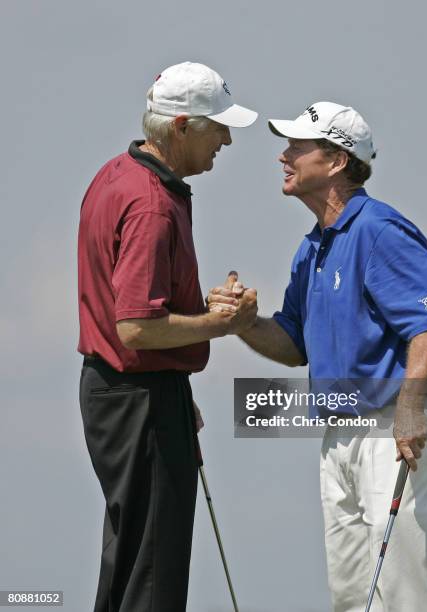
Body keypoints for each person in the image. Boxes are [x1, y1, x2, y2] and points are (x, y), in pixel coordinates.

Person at [208, 101, 427, 611]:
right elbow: (294, 345)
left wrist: (410, 408)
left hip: (391, 427)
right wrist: (244, 324)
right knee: (350, 593)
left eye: (298, 146)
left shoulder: (381, 230)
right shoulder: (311, 248)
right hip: (337, 435)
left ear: (338, 161)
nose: (284, 155)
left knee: (404, 585)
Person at [77, 61, 258, 612]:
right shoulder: (152, 204)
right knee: (153, 576)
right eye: (217, 126)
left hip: (125, 392)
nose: (226, 138)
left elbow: (136, 308)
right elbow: (135, 326)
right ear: (181, 126)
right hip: (140, 398)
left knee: (132, 563)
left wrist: (197, 315)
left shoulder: (119, 174)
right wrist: (221, 325)